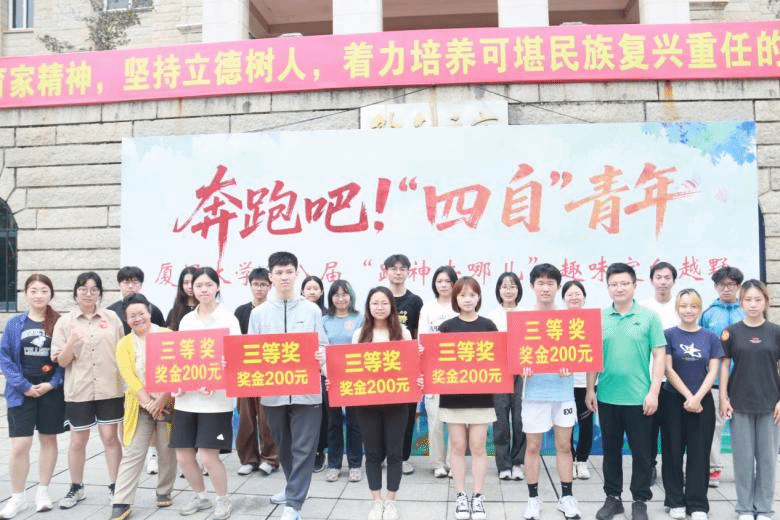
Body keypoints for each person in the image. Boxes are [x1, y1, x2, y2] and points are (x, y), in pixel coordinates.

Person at [249, 252, 327, 520]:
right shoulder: (259, 314)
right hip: (273, 393)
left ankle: (294, 504)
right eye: (279, 272)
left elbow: (323, 345)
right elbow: (250, 351)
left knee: (304, 448)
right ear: (270, 276)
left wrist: (322, 357)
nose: (284, 277)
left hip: (307, 392)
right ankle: (293, 487)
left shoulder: (311, 309)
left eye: (289, 272)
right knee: (283, 445)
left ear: (296, 274)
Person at [586, 263, 666, 520]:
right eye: (613, 284)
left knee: (642, 453)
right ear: (607, 287)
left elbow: (660, 355)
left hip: (639, 397)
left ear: (634, 285)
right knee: (611, 451)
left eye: (623, 283)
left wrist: (654, 392)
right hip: (607, 396)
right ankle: (613, 498)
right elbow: (592, 357)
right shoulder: (599, 318)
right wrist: (590, 389)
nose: (618, 288)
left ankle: (640, 500)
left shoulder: (649, 317)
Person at [51, 272, 126, 510]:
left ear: (100, 293)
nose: (88, 294)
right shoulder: (65, 322)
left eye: (94, 289)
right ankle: (76, 487)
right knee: (77, 440)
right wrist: (71, 342)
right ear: (76, 292)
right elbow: (62, 361)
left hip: (110, 388)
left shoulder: (112, 318)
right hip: (79, 390)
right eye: (83, 289)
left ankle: (116, 487)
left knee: (110, 438)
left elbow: (124, 352)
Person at [171, 267, 240, 520]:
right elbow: (180, 357)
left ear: (217, 287)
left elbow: (236, 359)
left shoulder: (228, 319)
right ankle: (200, 496)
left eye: (208, 285)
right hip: (187, 399)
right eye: (198, 285)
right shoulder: (187, 320)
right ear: (191, 289)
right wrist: (177, 383)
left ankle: (223, 499)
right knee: (183, 456)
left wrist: (216, 379)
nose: (203, 290)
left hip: (216, 400)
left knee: (209, 456)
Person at [0, 274, 63, 517]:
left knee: (48, 440)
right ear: (25, 293)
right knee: (20, 445)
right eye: (34, 290)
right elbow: (5, 357)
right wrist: (24, 385)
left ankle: (43, 492)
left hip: (50, 392)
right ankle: (18, 497)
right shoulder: (16, 323)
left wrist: (52, 384)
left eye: (44, 290)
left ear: (51, 293)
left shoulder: (59, 322)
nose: (39, 295)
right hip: (21, 392)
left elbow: (65, 360)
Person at [109, 293, 177, 520]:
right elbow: (128, 375)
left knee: (167, 449)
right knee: (133, 451)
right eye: (132, 316)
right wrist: (148, 402)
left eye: (141, 313)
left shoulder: (167, 335)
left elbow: (177, 368)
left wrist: (162, 398)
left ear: (149, 312)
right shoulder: (124, 344)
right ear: (126, 319)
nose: (138, 319)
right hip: (139, 404)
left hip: (167, 402)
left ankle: (164, 491)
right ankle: (121, 501)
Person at [522, 264, 580, 520]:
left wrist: (571, 365)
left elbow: (579, 352)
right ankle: (533, 498)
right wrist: (521, 369)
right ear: (532, 286)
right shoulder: (523, 318)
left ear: (558, 286)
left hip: (563, 392)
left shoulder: (569, 318)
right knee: (533, 447)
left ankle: (566, 497)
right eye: (540, 283)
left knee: (564, 446)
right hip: (534, 392)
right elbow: (515, 357)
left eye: (550, 283)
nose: (545, 288)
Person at [719, 280, 780, 520]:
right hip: (740, 403)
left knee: (767, 460)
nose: (753, 304)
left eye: (758, 299)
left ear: (766, 301)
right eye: (748, 300)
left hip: (770, 405)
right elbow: (724, 366)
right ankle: (744, 508)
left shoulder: (776, 332)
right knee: (743, 460)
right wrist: (723, 397)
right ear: (741, 302)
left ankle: (764, 509)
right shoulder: (731, 332)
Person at [660, 288, 722, 520]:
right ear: (678, 308)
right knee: (672, 452)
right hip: (673, 400)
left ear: (699, 309)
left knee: (699, 453)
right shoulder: (668, 335)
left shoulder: (710, 337)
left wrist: (697, 398)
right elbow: (667, 369)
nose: (689, 310)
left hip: (702, 401)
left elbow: (713, 371)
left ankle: (697, 504)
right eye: (684, 305)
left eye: (693, 306)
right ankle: (675, 500)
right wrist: (688, 396)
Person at [437, 277, 496, 520]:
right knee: (458, 446)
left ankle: (478, 496)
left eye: (472, 294)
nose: (468, 299)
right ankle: (461, 495)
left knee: (479, 446)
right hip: (453, 397)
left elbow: (497, 359)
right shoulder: (446, 327)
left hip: (482, 396)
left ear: (479, 297)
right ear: (455, 298)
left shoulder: (488, 325)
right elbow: (437, 361)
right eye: (462, 295)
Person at [352, 286, 412, 520]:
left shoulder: (403, 333)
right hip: (367, 404)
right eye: (375, 303)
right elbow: (351, 368)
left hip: (397, 403)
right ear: (368, 307)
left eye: (384, 303)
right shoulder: (359, 334)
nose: (379, 307)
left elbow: (410, 366)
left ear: (391, 306)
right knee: (373, 453)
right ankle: (376, 501)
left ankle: (391, 501)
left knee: (395, 453)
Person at [700, 265, 744, 488]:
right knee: (715, 427)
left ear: (738, 286)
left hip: (744, 381)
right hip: (715, 382)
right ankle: (713, 469)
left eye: (731, 285)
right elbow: (701, 347)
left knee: (744, 428)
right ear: (716, 287)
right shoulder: (708, 314)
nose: (726, 289)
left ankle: (745, 470)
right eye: (721, 285)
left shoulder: (745, 312)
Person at [234, 267, 279, 477]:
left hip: (268, 372)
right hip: (244, 372)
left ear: (270, 286)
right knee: (246, 418)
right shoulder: (241, 311)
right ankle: (248, 459)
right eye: (256, 284)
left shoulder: (275, 310)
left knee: (267, 418)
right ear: (250, 285)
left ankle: (270, 458)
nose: (259, 288)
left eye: (263, 284)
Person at [384, 254, 423, 476]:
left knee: (406, 414)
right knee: (382, 412)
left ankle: (403, 457)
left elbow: (417, 335)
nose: (398, 273)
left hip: (406, 367)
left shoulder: (415, 301)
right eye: (394, 268)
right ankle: (382, 455)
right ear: (386, 271)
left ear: (408, 272)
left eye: (402, 269)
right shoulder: (380, 297)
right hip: (381, 367)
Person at [640, 261, 678, 485]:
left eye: (667, 278)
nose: (663, 282)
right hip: (649, 377)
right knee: (649, 428)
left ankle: (672, 470)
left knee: (673, 429)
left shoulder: (681, 305)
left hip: (676, 379)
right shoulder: (643, 307)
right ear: (652, 280)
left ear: (673, 280)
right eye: (659, 277)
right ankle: (649, 467)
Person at [322, 279, 364, 483]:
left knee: (355, 423)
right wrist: (326, 373)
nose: (340, 298)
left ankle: (355, 464)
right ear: (331, 298)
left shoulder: (360, 318)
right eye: (336, 295)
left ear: (351, 296)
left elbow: (364, 347)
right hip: (330, 377)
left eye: (344, 294)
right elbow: (320, 348)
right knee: (334, 422)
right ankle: (334, 464)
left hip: (354, 378)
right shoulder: (324, 320)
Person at [418, 265, 457, 478]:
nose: (444, 285)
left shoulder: (460, 306)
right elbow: (421, 341)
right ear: (434, 284)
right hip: (433, 371)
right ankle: (438, 463)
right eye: (440, 281)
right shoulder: (428, 309)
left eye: (448, 281)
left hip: (456, 373)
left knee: (455, 421)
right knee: (435, 421)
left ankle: (453, 462)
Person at [486, 271, 526, 482]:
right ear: (498, 290)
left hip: (523, 374)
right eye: (504, 287)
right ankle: (503, 464)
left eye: (512, 286)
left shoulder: (526, 314)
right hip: (499, 374)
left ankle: (518, 462)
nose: (508, 291)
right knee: (500, 420)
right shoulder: (491, 316)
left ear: (518, 290)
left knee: (520, 419)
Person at [562, 280, 593, 481]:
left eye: (578, 294)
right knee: (566, 425)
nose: (574, 297)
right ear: (564, 299)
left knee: (586, 423)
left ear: (584, 298)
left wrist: (591, 388)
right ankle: (569, 460)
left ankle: (581, 461)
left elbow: (595, 357)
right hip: (564, 383)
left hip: (586, 383)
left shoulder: (592, 321)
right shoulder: (557, 322)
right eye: (570, 294)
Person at [301, 275, 328, 473]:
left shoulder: (327, 315)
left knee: (322, 414)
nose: (312, 291)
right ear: (302, 291)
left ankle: (320, 451)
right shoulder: (296, 313)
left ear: (321, 292)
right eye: (308, 288)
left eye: (315, 288)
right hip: (300, 372)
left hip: (322, 371)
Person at [106, 266, 166, 335]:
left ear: (141, 285)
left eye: (135, 282)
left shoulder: (153, 310)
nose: (130, 286)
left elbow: (162, 335)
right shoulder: (110, 312)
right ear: (118, 285)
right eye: (126, 282)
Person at [165, 266, 198, 331]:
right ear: (181, 285)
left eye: (193, 282)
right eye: (186, 283)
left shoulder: (205, 309)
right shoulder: (174, 312)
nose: (190, 286)